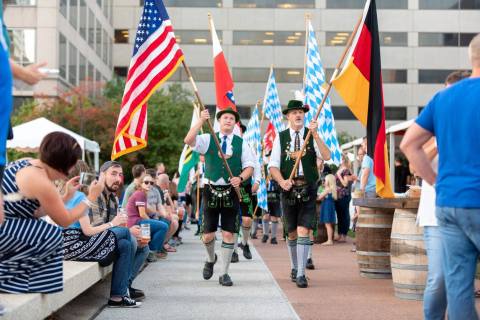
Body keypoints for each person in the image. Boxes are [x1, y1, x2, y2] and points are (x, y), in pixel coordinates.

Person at [400, 34, 480, 320]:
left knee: (458, 286)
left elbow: (409, 145)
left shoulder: (443, 98)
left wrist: (435, 181)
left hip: (449, 203)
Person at [0, 132, 103, 293]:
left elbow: (35, 211)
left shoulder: (26, 163)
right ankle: (9, 280)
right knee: (51, 234)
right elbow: (65, 220)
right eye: (71, 165)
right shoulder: (42, 182)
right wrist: (91, 197)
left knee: (44, 229)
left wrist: (67, 196)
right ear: (63, 164)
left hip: (6, 225)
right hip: (4, 228)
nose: (71, 171)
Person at [184, 107, 255, 287]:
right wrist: (201, 120)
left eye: (232, 118)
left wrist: (240, 178)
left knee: (228, 234)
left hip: (231, 192)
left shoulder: (241, 143)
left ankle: (224, 273)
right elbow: (188, 140)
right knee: (207, 235)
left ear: (235, 123)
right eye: (225, 118)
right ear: (219, 121)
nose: (228, 120)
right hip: (210, 190)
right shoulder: (208, 138)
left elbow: (249, 166)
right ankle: (210, 259)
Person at [268, 99, 331, 288]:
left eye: (301, 112)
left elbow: (327, 156)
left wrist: (316, 134)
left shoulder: (312, 134)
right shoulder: (281, 137)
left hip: (308, 187)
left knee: (304, 230)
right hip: (288, 188)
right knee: (292, 232)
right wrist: (281, 181)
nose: (298, 115)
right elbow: (273, 166)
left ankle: (302, 273)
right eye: (294, 112)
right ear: (288, 116)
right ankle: (295, 267)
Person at [61, 161, 140, 308]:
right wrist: (113, 224)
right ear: (82, 177)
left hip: (69, 244)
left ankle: (118, 296)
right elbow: (88, 231)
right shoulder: (80, 197)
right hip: (75, 244)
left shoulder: (67, 195)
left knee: (125, 244)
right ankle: (123, 286)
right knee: (124, 233)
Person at [90, 161, 149, 303]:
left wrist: (129, 230)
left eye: (120, 175)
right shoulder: (94, 194)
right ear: (102, 175)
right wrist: (128, 230)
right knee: (129, 238)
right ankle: (123, 289)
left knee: (140, 246)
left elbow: (117, 225)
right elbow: (95, 230)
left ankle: (119, 293)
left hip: (107, 239)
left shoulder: (113, 198)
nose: (118, 179)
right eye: (113, 174)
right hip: (89, 243)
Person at [126, 174, 169, 261]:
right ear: (141, 183)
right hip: (135, 222)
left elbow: (147, 210)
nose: (149, 184)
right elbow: (142, 214)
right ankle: (151, 251)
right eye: (146, 182)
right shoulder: (140, 194)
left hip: (137, 221)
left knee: (162, 222)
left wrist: (158, 214)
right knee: (163, 226)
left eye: (151, 183)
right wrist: (151, 221)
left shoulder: (143, 194)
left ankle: (149, 251)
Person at [334, 153, 355, 243]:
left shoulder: (346, 170)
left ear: (343, 160)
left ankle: (344, 235)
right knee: (339, 215)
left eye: (340, 158)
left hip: (344, 195)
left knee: (344, 215)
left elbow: (345, 184)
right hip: (338, 196)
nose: (339, 160)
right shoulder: (339, 169)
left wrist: (338, 175)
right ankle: (339, 234)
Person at [318, 174, 337, 246]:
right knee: (328, 224)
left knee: (327, 224)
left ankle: (329, 240)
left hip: (327, 206)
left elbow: (319, 197)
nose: (324, 181)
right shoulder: (332, 189)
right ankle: (330, 239)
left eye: (325, 180)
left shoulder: (328, 189)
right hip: (329, 206)